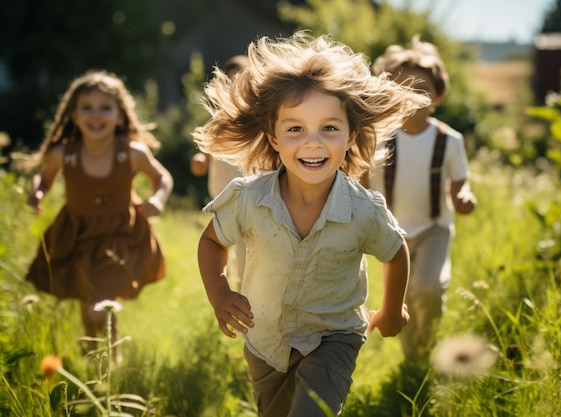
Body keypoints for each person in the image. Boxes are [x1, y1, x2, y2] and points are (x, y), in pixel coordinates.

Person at [193, 32, 430, 417]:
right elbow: (212, 242)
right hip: (266, 340)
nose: (313, 143)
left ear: (351, 135)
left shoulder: (363, 209)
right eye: (295, 129)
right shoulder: (250, 198)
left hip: (334, 337)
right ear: (273, 137)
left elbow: (395, 251)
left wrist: (390, 309)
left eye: (329, 128)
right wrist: (219, 292)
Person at [23, 70, 173, 351]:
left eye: (105, 108)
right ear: (74, 116)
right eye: (87, 108)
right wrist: (38, 192)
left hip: (120, 235)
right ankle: (97, 362)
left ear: (119, 115)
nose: (96, 115)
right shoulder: (64, 153)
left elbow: (162, 178)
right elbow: (44, 177)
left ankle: (109, 359)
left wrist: (158, 200)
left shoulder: (132, 153)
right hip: (77, 235)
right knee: (87, 304)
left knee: (98, 306)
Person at [368, 35, 477, 360]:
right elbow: (360, 179)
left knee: (426, 289)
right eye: (403, 90)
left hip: (433, 229)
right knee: (401, 296)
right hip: (393, 233)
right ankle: (412, 354)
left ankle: (426, 344)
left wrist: (464, 198)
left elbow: (460, 184)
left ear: (438, 96)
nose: (412, 98)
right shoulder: (379, 139)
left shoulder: (449, 140)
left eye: (422, 90)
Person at [190, 55, 250, 285]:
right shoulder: (219, 119)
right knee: (226, 239)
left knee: (246, 240)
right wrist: (201, 159)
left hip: (250, 191)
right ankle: (231, 282)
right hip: (223, 192)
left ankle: (244, 283)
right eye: (231, 82)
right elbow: (207, 147)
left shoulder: (258, 118)